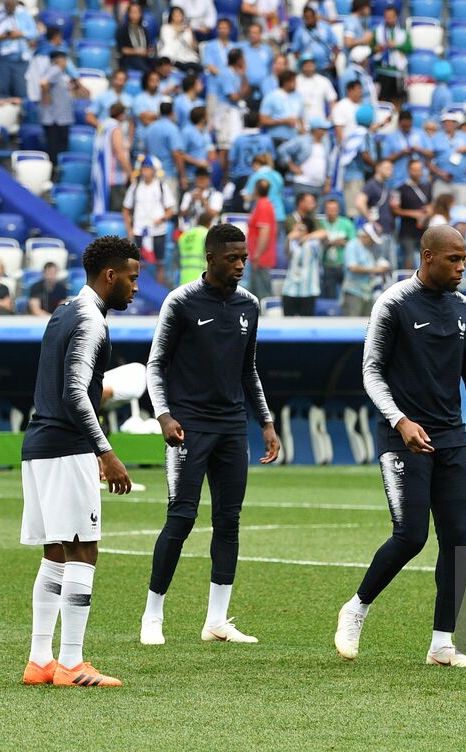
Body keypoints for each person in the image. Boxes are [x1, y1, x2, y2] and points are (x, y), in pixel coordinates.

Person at [335, 225, 466, 668]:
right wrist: (400, 419)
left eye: (465, 259)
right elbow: (371, 372)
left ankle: (442, 645)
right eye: (454, 260)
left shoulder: (464, 309)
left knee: (456, 542)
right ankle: (356, 608)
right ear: (428, 256)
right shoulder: (393, 303)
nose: (462, 268)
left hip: (451, 438)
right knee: (411, 536)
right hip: (402, 438)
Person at [141, 223, 280, 646]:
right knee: (181, 518)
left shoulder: (249, 305)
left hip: (232, 426)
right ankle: (152, 616)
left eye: (244, 258)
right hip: (188, 426)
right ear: (211, 258)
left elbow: (248, 369)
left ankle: (216, 620)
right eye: (232, 258)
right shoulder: (180, 302)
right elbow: (156, 364)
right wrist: (164, 415)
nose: (240, 265)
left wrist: (266, 422)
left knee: (229, 520)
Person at [19, 237, 139, 688]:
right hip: (67, 447)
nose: (133, 288)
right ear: (110, 275)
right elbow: (72, 392)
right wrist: (105, 452)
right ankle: (71, 664)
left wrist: (102, 392)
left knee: (54, 552)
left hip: (39, 444)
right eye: (130, 278)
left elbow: (67, 387)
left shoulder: (65, 310)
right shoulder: (90, 321)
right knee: (82, 549)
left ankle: (39, 660)